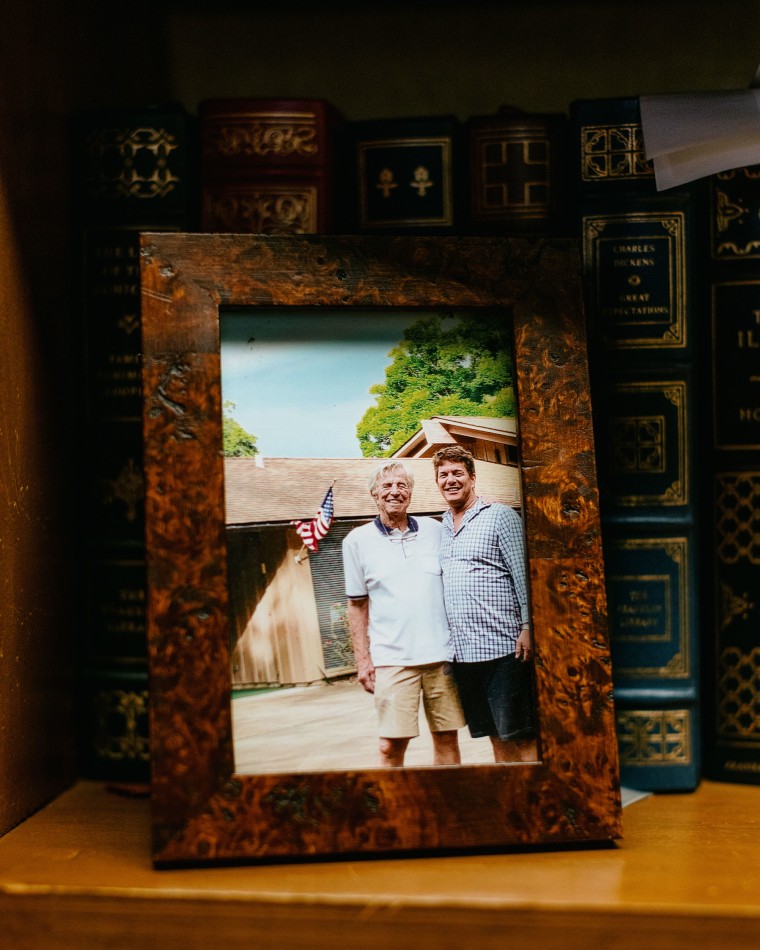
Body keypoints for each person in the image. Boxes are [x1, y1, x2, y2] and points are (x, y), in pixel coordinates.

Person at [342, 460, 465, 767]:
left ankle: (448, 808)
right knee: (389, 746)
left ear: (411, 492)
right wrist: (363, 660)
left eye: (402, 485)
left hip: (442, 658)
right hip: (392, 660)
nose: (395, 492)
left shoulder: (437, 530)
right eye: (387, 485)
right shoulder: (356, 541)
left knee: (447, 738)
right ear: (374, 493)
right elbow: (357, 605)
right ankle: (392, 813)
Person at [433, 444, 537, 763]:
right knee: (494, 736)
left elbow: (525, 575)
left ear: (472, 477)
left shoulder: (500, 516)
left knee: (521, 736)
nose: (450, 480)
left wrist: (528, 626)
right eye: (443, 475)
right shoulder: (442, 528)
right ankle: (513, 806)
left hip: (506, 651)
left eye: (457, 473)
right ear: (437, 482)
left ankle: (536, 804)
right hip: (465, 656)